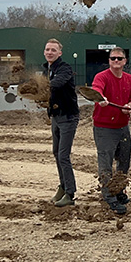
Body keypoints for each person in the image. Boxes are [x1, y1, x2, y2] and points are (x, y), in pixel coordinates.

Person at [91, 47, 131, 215]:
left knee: (124, 161)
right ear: (109, 61)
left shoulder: (130, 79)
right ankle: (109, 196)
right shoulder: (102, 77)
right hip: (104, 127)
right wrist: (100, 98)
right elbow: (96, 89)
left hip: (122, 126)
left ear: (125, 61)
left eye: (119, 58)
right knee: (105, 164)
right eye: (113, 58)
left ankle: (119, 190)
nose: (116, 61)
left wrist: (130, 106)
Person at [43, 38, 80, 207]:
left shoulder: (64, 68)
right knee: (56, 152)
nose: (50, 52)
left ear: (59, 53)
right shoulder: (47, 70)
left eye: (53, 50)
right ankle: (63, 186)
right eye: (47, 49)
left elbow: (58, 83)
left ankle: (70, 193)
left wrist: (43, 88)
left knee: (64, 155)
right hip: (56, 117)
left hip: (68, 117)